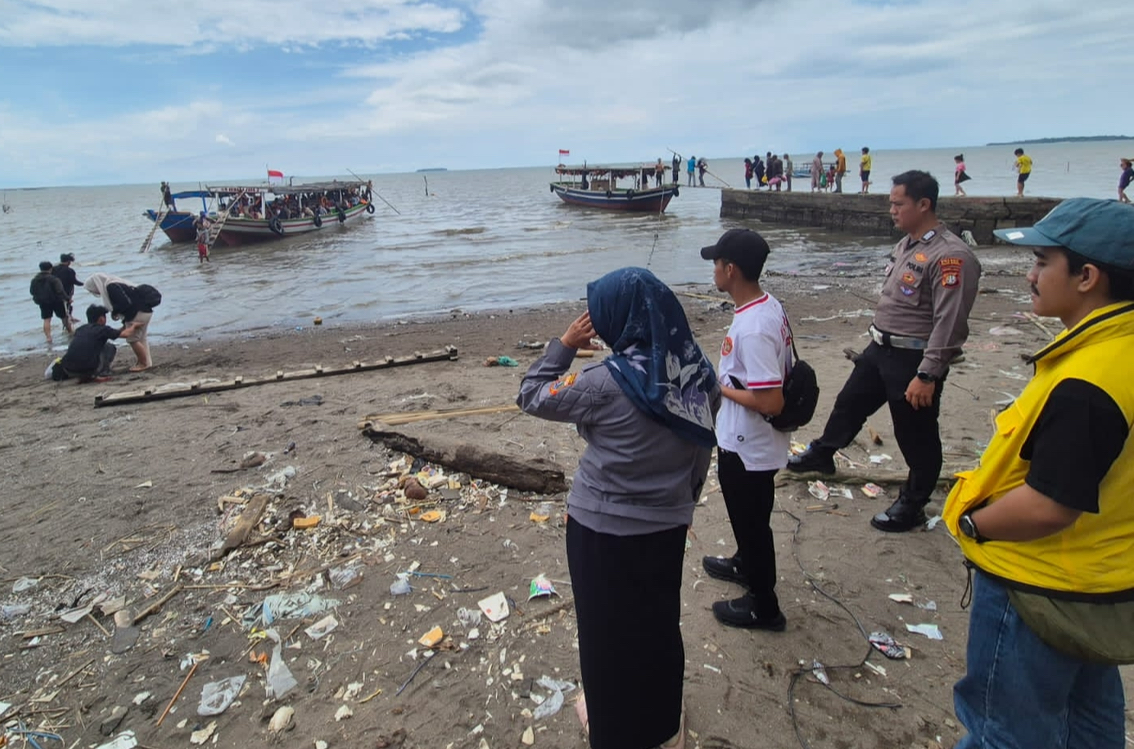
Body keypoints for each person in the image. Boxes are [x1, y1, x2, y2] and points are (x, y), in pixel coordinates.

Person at [943, 198, 1134, 748]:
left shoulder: (1088, 380)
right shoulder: (1115, 352)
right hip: (1100, 580)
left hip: (1040, 585)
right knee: (1087, 723)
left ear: (1087, 276)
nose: (1030, 275)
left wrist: (978, 525)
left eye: (1042, 262)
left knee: (1004, 731)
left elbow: (1050, 504)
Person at [517, 267, 719, 749]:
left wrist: (564, 343)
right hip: (666, 525)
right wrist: (683, 506)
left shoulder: (604, 382)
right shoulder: (698, 374)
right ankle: (662, 724)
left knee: (605, 632)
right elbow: (702, 449)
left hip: (600, 531)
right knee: (656, 625)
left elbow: (531, 394)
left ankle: (611, 731)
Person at [787, 170, 981, 532]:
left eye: (898, 203)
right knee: (849, 403)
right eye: (891, 203)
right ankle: (824, 454)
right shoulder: (908, 244)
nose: (891, 210)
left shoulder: (951, 256)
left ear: (923, 204)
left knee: (915, 433)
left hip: (914, 359)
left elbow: (950, 322)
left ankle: (913, 502)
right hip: (880, 348)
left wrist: (928, 374)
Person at [699, 229, 791, 631]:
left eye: (716, 264)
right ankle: (744, 562)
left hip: (748, 444)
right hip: (745, 439)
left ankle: (763, 605)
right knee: (749, 517)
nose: (713, 270)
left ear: (731, 270)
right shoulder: (765, 305)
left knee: (752, 519)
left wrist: (720, 389)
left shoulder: (753, 327)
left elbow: (771, 401)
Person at [84, 273, 159, 372]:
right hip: (146, 311)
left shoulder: (110, 287)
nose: (96, 292)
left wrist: (115, 312)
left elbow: (125, 303)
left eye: (93, 290)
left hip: (137, 313)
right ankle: (147, 362)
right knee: (142, 338)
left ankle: (143, 363)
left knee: (132, 340)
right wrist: (124, 321)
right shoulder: (115, 283)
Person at [57, 305, 138, 382]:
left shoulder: (81, 329)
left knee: (86, 349)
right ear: (101, 319)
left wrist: (124, 326)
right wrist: (134, 325)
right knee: (109, 347)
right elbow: (126, 334)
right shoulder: (103, 330)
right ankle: (102, 372)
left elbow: (116, 332)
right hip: (87, 369)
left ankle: (84, 377)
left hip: (69, 369)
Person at [30, 261, 72, 343]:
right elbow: (60, 291)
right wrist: (68, 299)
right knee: (64, 317)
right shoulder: (54, 279)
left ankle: (48, 338)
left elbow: (32, 291)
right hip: (56, 301)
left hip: (43, 302)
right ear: (50, 269)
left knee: (46, 320)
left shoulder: (34, 280)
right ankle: (70, 332)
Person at [51, 252, 83, 324]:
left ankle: (68, 318)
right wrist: (84, 284)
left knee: (62, 307)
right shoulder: (70, 271)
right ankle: (69, 319)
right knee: (68, 305)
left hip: (55, 291)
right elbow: (74, 281)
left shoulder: (53, 269)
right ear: (69, 262)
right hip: (67, 291)